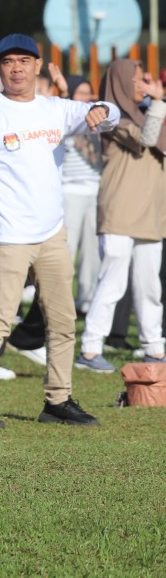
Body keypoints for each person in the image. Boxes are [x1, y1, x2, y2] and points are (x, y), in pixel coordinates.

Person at [0, 34, 118, 429]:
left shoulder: (54, 108)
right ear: (0, 69)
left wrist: (101, 112)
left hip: (52, 233)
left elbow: (109, 113)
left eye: (25, 61)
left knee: (61, 320)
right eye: (8, 62)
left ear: (38, 66)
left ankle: (57, 400)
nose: (17, 68)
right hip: (8, 234)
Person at [77, 59, 166, 371]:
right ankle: (89, 349)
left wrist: (157, 103)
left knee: (149, 286)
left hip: (151, 214)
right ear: (120, 81)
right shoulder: (111, 115)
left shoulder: (146, 111)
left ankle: (154, 347)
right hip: (119, 210)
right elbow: (147, 138)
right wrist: (159, 101)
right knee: (113, 281)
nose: (141, 85)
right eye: (136, 80)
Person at [62, 77, 103, 311]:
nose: (87, 98)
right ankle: (62, 300)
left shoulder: (99, 122)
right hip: (70, 190)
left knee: (93, 248)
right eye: (82, 93)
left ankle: (86, 301)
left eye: (90, 93)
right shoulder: (66, 121)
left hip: (95, 189)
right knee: (66, 250)